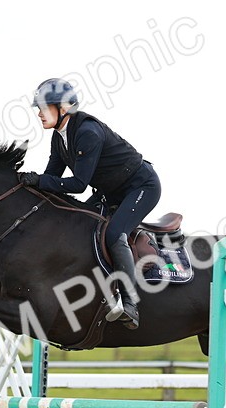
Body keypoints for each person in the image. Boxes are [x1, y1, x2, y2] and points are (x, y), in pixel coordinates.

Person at [17, 77, 161, 329]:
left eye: (43, 107)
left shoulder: (87, 133)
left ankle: (130, 303)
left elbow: (78, 184)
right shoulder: (59, 137)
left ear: (63, 109)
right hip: (111, 191)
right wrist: (28, 187)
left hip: (141, 187)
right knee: (82, 226)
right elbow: (52, 177)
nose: (38, 113)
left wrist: (38, 181)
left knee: (115, 234)